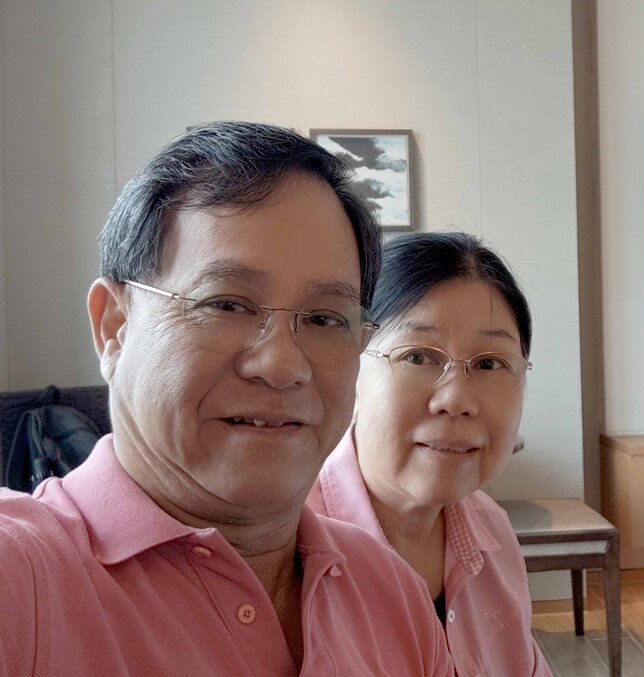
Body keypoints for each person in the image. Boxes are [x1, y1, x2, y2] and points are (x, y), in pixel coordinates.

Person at [0, 122, 454, 676]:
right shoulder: (23, 581)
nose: (283, 366)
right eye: (227, 305)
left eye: (323, 318)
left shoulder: (392, 594)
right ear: (114, 326)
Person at [307, 232, 553, 676]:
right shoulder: (282, 547)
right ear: (349, 368)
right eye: (418, 357)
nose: (456, 399)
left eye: (490, 364)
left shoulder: (492, 531)